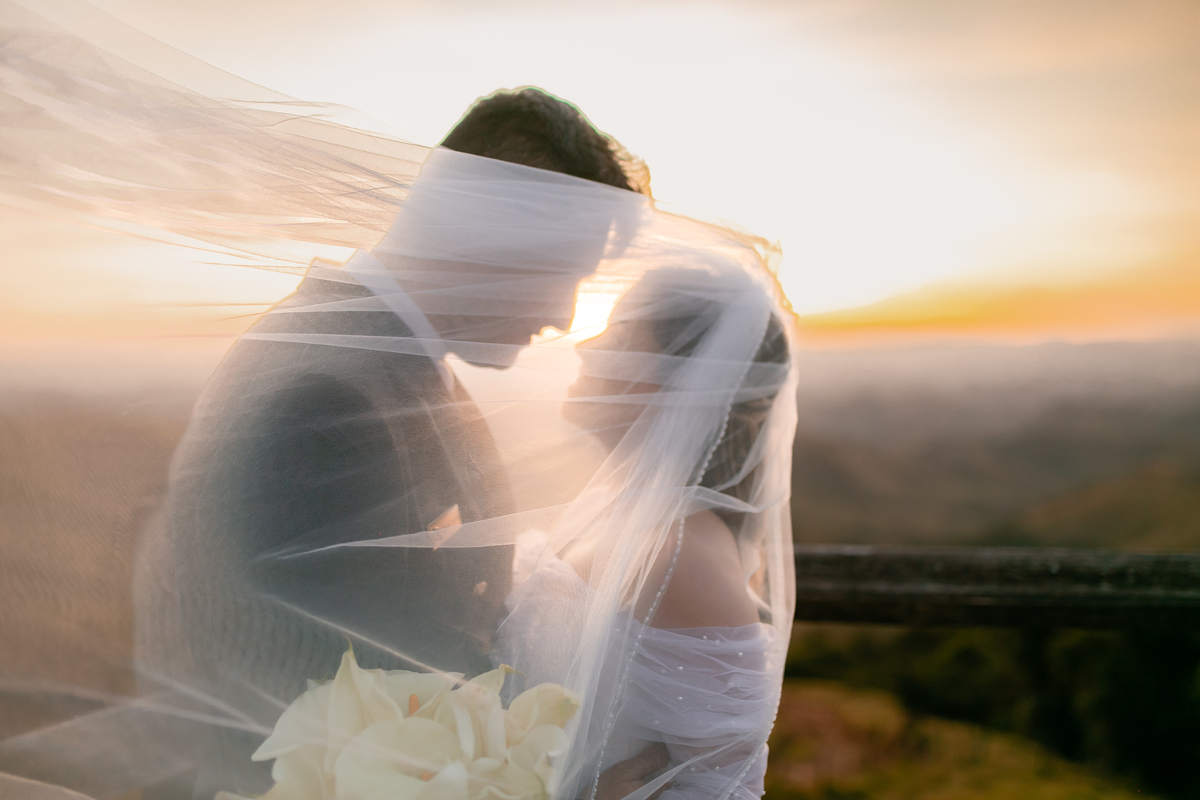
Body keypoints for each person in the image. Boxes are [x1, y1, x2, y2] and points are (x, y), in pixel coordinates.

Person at [0, 6, 798, 800]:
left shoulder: (380, 366)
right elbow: (352, 710)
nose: (564, 318)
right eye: (573, 273)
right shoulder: (324, 399)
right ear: (499, 241)